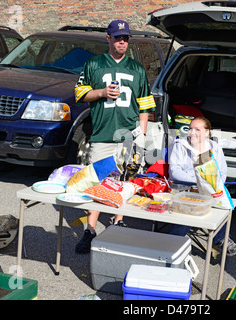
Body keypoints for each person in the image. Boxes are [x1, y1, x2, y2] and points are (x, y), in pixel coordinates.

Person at [73, 19, 155, 254]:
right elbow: (79, 93)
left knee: (125, 184)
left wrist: (142, 136)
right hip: (102, 134)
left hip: (129, 136)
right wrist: (100, 92)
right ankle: (89, 229)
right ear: (108, 38)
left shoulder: (137, 68)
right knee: (98, 183)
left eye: (126, 38)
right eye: (118, 37)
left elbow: (145, 106)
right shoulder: (94, 64)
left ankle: (118, 222)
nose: (122, 42)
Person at [168, 117, 236, 256]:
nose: (192, 132)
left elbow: (222, 171)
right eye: (190, 128)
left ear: (208, 132)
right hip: (185, 187)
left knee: (218, 205)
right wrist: (197, 181)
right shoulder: (180, 145)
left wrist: (212, 185)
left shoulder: (214, 147)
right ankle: (173, 240)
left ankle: (221, 240)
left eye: (197, 129)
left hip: (209, 188)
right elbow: (175, 172)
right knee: (192, 206)